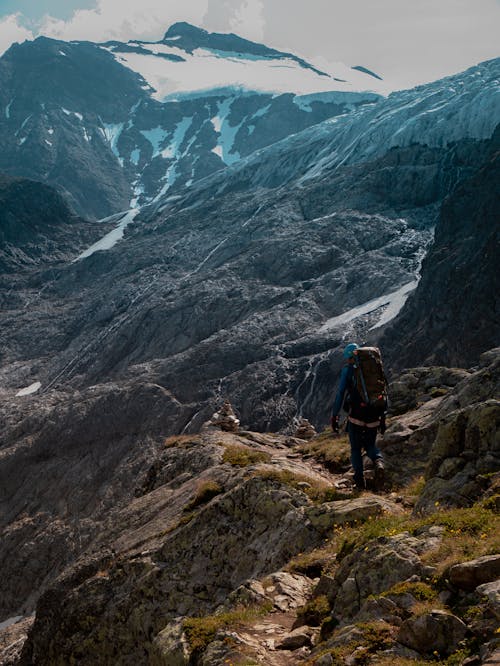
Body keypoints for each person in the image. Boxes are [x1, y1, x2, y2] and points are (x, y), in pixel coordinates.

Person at [331, 342, 385, 490]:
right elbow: (382, 390)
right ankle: (379, 462)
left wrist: (335, 415)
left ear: (349, 357)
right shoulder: (373, 367)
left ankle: (360, 482)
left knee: (355, 448)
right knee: (370, 445)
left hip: (356, 414)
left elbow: (340, 393)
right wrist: (383, 416)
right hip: (374, 413)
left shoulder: (348, 370)